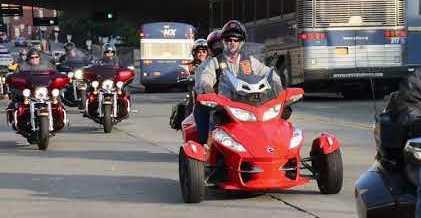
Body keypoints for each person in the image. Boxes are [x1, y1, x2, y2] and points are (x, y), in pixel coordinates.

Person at [193, 20, 283, 144]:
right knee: (214, 121)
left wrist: (278, 86)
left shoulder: (249, 61)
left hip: (249, 103)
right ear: (224, 42)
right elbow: (205, 77)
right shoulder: (215, 61)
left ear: (241, 42)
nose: (232, 43)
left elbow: (267, 72)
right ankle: (209, 148)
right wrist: (208, 88)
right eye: (229, 40)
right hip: (223, 105)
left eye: (236, 40)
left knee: (277, 118)